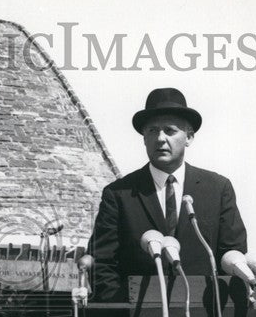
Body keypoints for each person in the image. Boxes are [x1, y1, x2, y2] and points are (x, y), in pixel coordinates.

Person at [88, 88, 247, 301]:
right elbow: (101, 262)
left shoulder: (218, 189)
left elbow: (232, 255)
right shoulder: (119, 194)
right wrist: (124, 311)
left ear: (189, 137)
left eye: (170, 131)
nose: (160, 139)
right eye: (152, 131)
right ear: (144, 138)